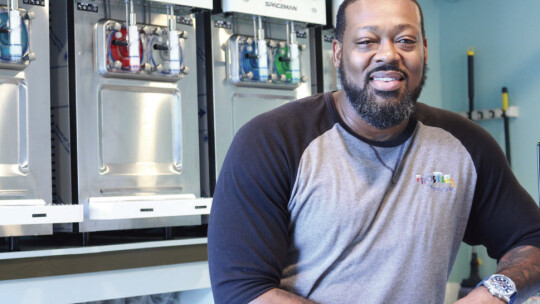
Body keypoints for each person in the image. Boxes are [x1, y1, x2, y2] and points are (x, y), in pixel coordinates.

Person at [208, 0, 540, 303]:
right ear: (337, 53)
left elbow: (532, 241)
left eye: (406, 41)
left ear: (424, 49)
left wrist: (494, 292)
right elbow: (243, 291)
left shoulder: (466, 146)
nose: (388, 54)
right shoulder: (273, 140)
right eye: (367, 41)